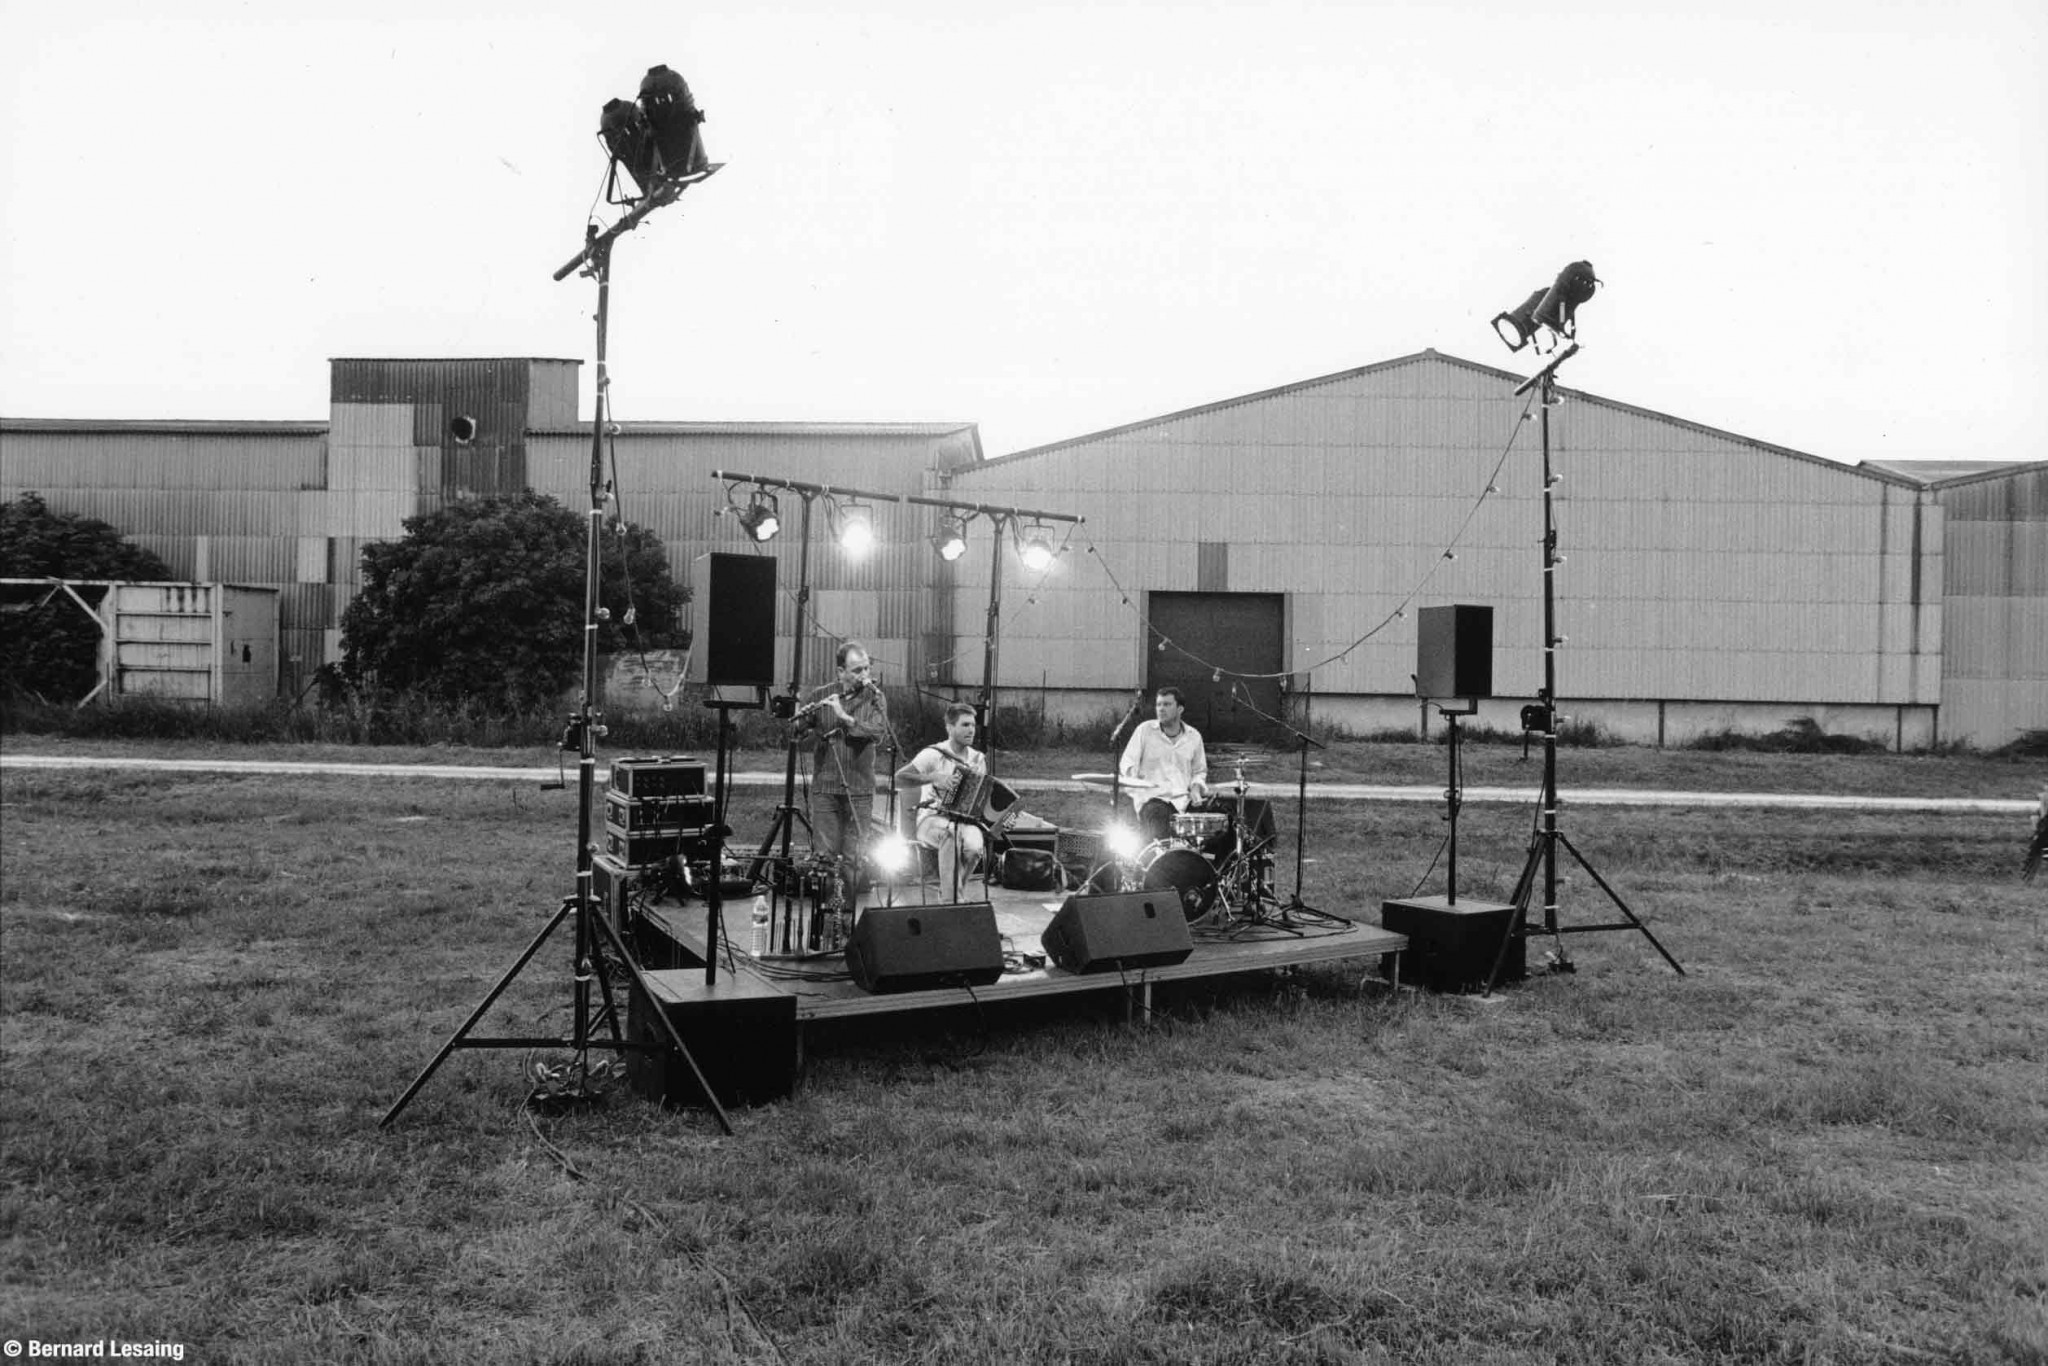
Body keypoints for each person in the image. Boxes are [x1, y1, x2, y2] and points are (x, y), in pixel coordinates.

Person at [793, 641, 889, 881]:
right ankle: (826, 917)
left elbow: (876, 733)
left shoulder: (875, 698)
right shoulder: (821, 695)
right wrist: (801, 724)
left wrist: (844, 717)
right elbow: (802, 743)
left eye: (867, 668)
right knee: (824, 859)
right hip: (825, 786)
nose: (864, 675)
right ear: (841, 672)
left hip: (859, 787)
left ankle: (851, 915)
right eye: (857, 670)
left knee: (854, 860)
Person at [895, 703, 989, 901]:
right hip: (932, 818)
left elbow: (981, 798)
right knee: (950, 836)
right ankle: (952, 902)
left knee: (974, 847)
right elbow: (899, 778)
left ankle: (950, 893)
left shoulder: (978, 759)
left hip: (965, 821)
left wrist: (1002, 817)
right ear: (950, 728)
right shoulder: (933, 754)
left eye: (973, 725)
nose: (971, 730)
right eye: (964, 725)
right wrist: (934, 777)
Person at [1118, 685, 1209, 844]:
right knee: (1160, 828)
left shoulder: (1194, 737)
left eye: (1167, 705)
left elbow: (1199, 771)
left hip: (1184, 800)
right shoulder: (1144, 731)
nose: (1161, 709)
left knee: (1213, 826)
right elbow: (1127, 762)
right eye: (1158, 704)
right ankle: (1161, 865)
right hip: (1153, 799)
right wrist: (1134, 777)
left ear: (1180, 709)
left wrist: (1196, 787)